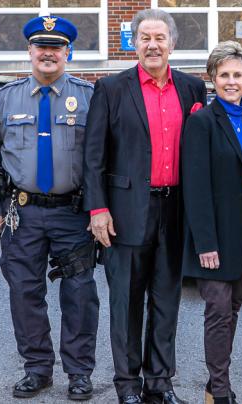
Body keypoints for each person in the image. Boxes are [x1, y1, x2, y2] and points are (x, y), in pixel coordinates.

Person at [83, 9, 207, 404]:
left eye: (160, 37)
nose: (152, 45)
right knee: (126, 304)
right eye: (144, 38)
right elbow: (93, 157)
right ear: (133, 43)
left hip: (175, 212)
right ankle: (126, 385)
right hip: (124, 213)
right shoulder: (112, 88)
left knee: (167, 301)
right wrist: (98, 209)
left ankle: (159, 382)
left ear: (173, 42)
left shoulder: (192, 89)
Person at [0, 15, 98, 400]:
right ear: (29, 51)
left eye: (57, 47)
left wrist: (100, 210)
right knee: (24, 292)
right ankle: (37, 369)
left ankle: (79, 372)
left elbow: (102, 159)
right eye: (41, 46)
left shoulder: (88, 97)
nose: (48, 53)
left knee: (79, 294)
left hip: (73, 212)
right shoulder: (5, 99)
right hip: (22, 213)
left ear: (68, 52)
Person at [180, 40, 242, 404]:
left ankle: (211, 385)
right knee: (218, 311)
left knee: (232, 309)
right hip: (214, 239)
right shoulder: (201, 123)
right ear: (212, 79)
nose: (231, 81)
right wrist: (205, 244)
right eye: (223, 75)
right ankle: (220, 391)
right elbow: (196, 187)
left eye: (237, 74)